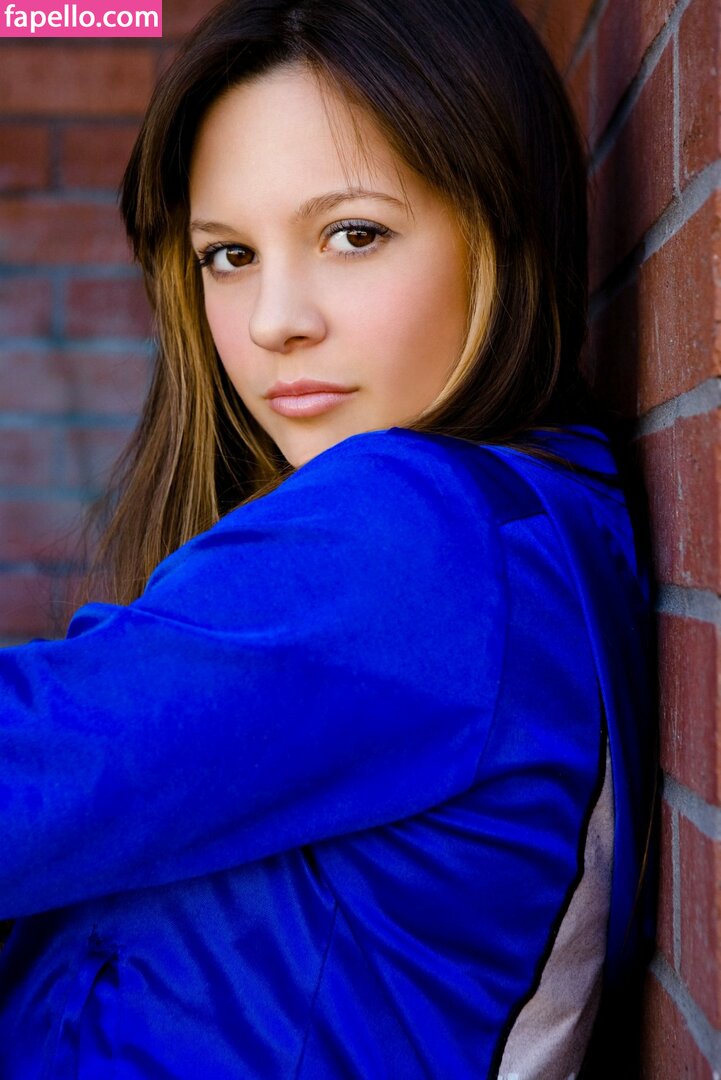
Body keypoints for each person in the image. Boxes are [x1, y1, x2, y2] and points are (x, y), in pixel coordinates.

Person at [0, 0, 655, 1076]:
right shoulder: (530, 509)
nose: (273, 321)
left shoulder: (416, 535)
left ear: (498, 226)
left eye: (353, 234)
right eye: (228, 255)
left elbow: (33, 766)